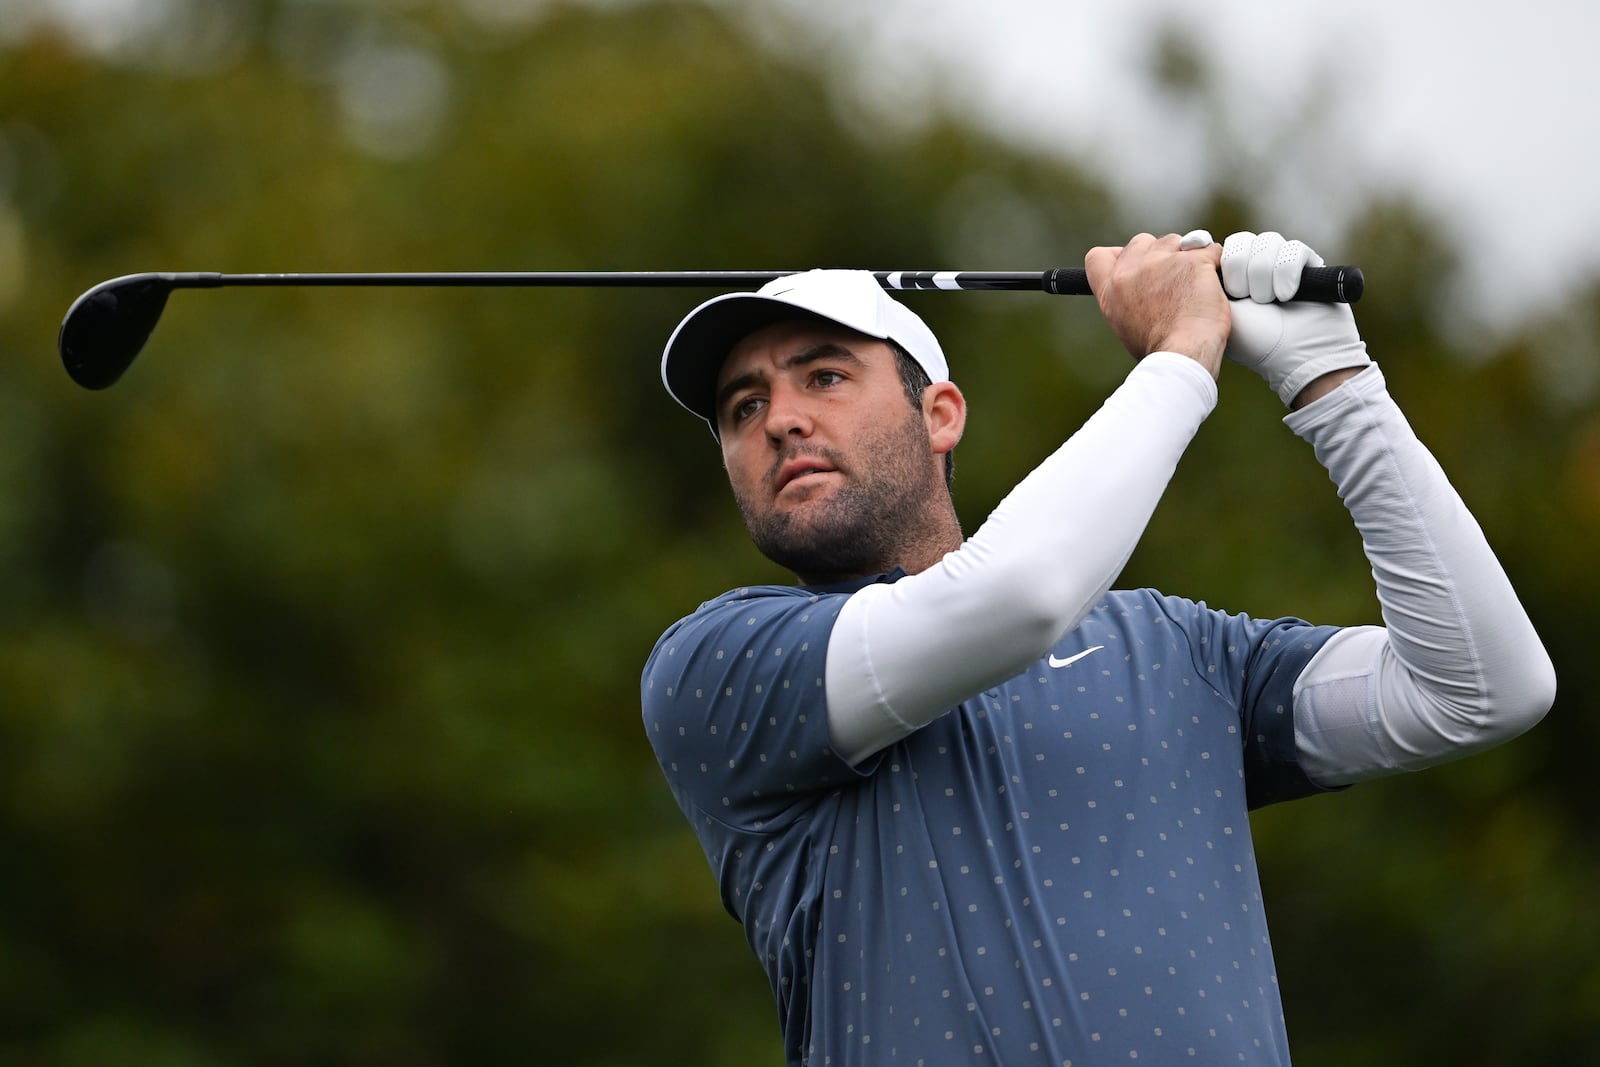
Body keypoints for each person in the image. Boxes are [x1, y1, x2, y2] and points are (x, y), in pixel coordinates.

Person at [639, 229, 1555, 1066]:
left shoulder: (1175, 646)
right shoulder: (717, 665)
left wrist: (1337, 385)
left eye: (824, 377)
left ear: (940, 414)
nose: (780, 420)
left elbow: (1481, 688)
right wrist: (1181, 356)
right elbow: (1016, 596)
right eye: (742, 406)